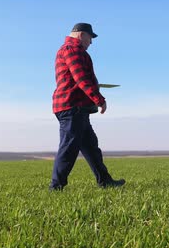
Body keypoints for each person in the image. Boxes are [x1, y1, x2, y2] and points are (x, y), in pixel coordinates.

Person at [49, 23, 126, 191]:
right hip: (71, 106)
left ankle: (105, 181)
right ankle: (56, 187)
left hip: (77, 107)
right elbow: (81, 78)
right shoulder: (72, 50)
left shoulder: (73, 50)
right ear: (81, 35)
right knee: (69, 148)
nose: (91, 42)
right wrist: (99, 99)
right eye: (90, 37)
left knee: (91, 148)